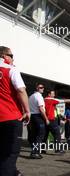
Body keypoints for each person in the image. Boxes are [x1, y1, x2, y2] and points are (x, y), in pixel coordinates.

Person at [0, 46, 30, 176]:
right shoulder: (10, 69)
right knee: (10, 153)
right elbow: (21, 90)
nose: (13, 59)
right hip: (10, 117)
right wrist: (27, 111)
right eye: (11, 56)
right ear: (4, 56)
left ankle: (13, 172)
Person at [29, 83, 49, 159]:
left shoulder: (31, 96)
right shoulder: (39, 96)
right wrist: (46, 119)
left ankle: (34, 152)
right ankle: (35, 152)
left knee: (34, 135)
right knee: (40, 135)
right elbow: (41, 109)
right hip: (38, 117)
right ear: (37, 88)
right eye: (41, 87)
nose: (42, 89)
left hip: (32, 117)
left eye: (43, 87)